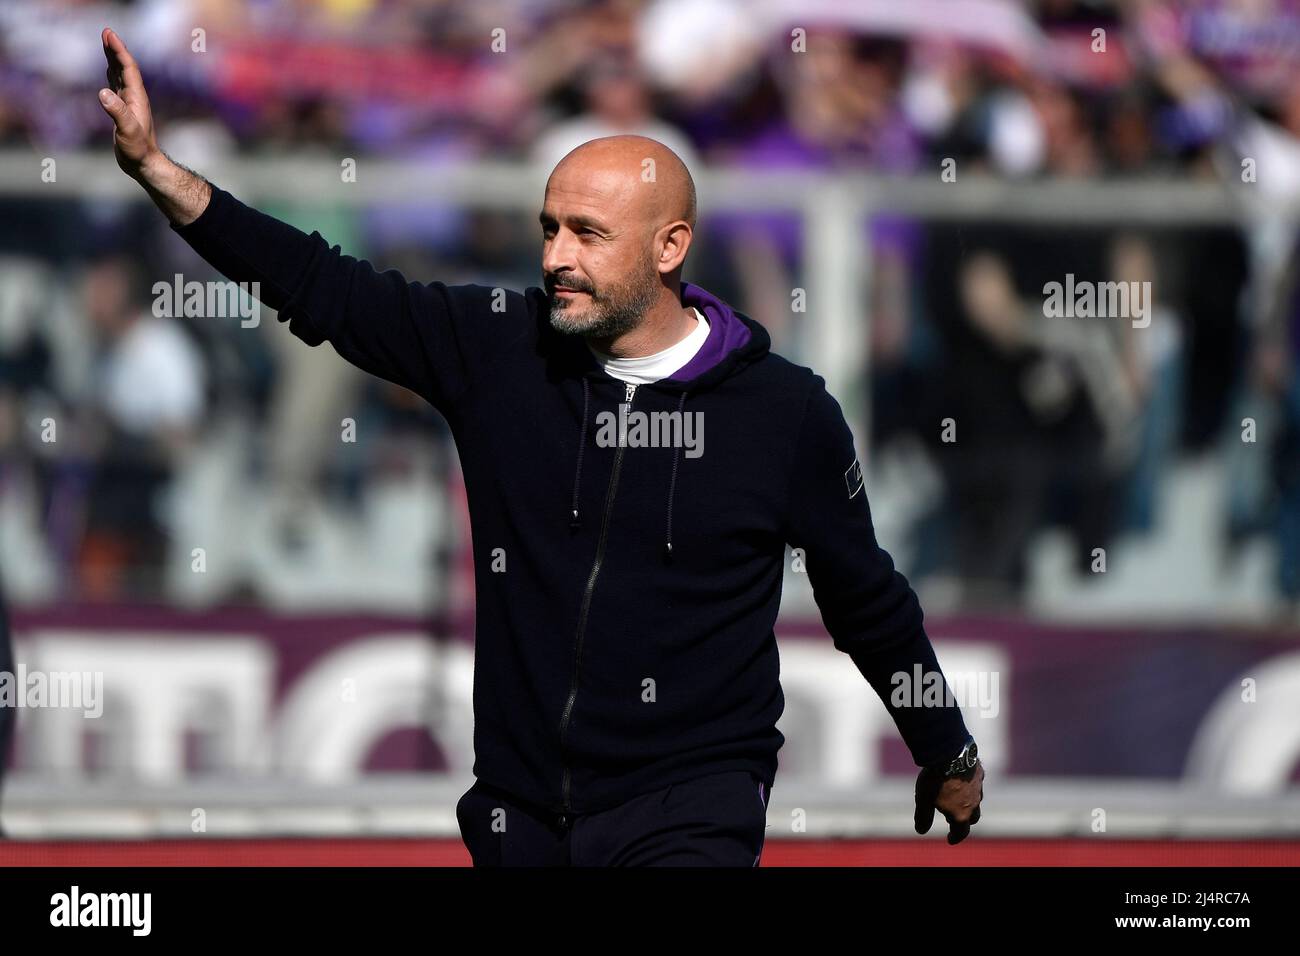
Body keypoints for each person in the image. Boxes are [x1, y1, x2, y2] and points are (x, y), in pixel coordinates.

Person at [98, 27, 983, 865]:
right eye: (550, 228)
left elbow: (865, 596)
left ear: (671, 246)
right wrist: (164, 175)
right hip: (518, 815)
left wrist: (942, 744)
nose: (558, 255)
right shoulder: (496, 350)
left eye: (589, 235)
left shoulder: (783, 412)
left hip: (690, 807)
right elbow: (324, 288)